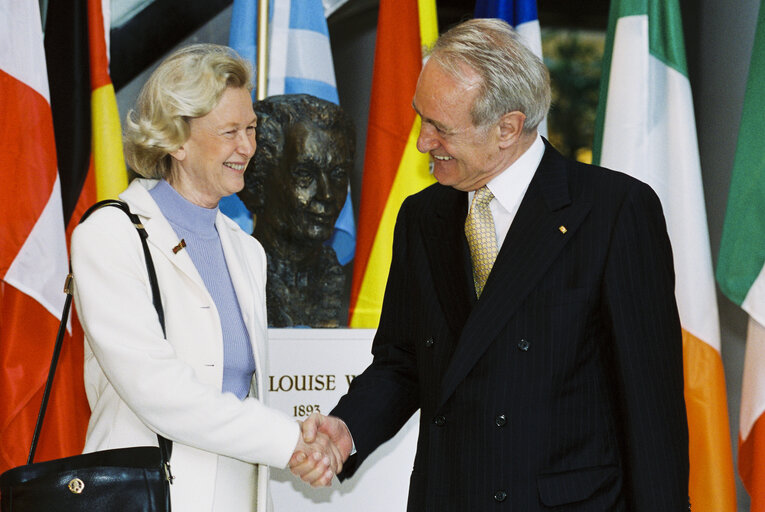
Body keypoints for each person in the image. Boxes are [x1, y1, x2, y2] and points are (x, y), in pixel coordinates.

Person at [292, 18, 689, 511]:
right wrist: (346, 430)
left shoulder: (613, 211)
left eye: (440, 127)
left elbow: (652, 408)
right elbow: (403, 361)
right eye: (421, 117)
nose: (421, 141)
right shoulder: (423, 216)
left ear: (507, 128)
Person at [71, 44, 340, 512]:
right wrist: (289, 439)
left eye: (252, 129)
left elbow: (242, 393)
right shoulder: (109, 235)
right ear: (175, 139)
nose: (248, 148)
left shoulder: (246, 250)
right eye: (230, 131)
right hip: (145, 499)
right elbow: (158, 390)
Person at [237, 94, 354, 327]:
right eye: (304, 174)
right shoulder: (231, 278)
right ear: (258, 183)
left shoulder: (360, 284)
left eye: (338, 175)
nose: (327, 194)